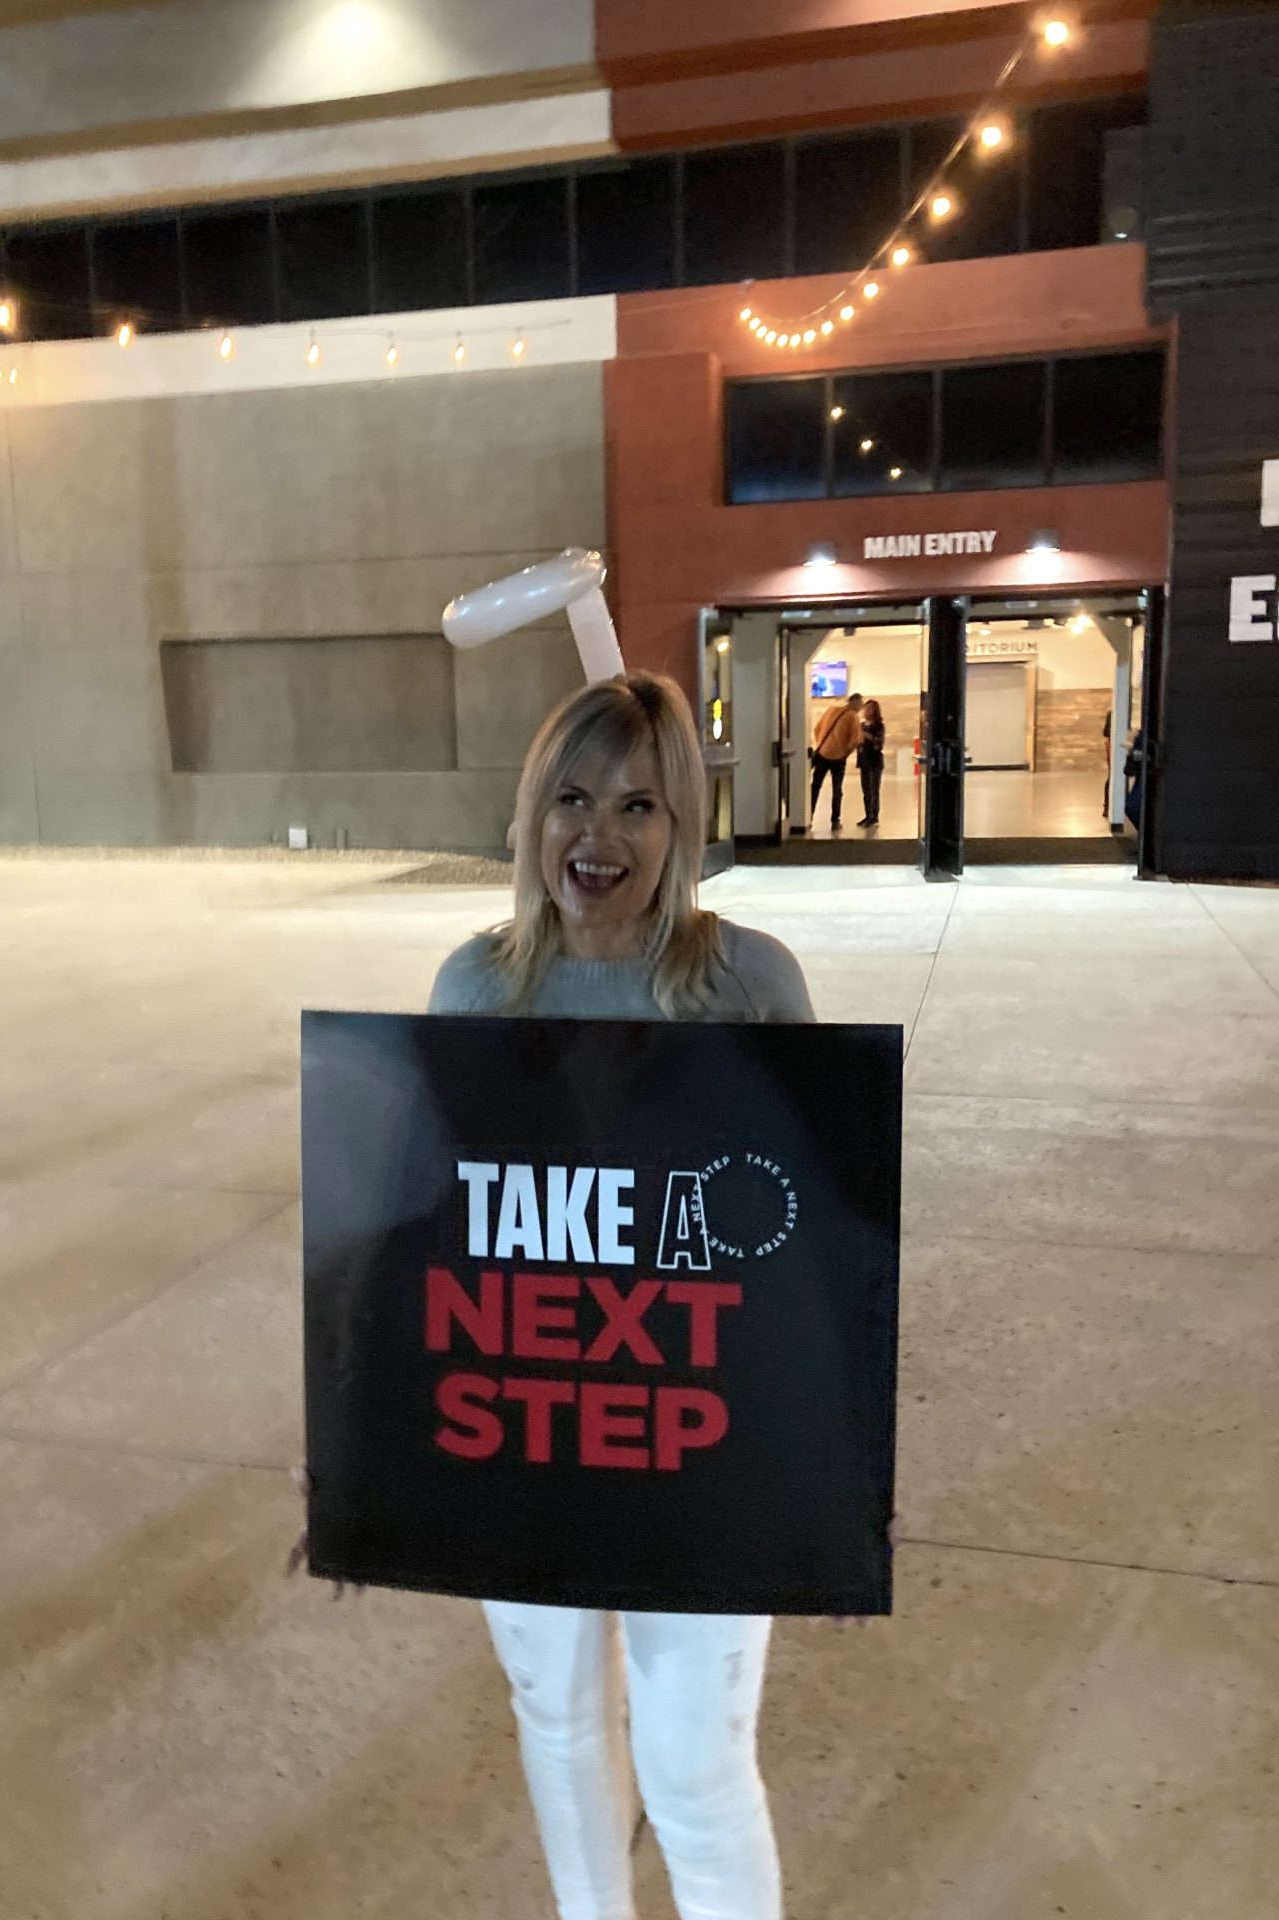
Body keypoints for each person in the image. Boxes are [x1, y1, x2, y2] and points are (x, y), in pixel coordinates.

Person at [428, 671, 814, 1920]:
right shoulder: (474, 990)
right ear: (532, 813)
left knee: (695, 1769)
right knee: (558, 1722)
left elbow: (819, 1233)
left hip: (703, 1436)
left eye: (639, 805)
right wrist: (369, 1423)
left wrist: (837, 1445)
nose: (599, 837)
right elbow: (434, 1239)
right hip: (527, 1420)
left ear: (681, 826)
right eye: (574, 799)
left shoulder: (749, 984)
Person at [810, 691, 863, 831]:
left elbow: (817, 729)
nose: (861, 707)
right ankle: (835, 820)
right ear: (855, 702)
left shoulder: (831, 710)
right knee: (837, 789)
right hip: (838, 758)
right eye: (861, 703)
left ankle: (808, 815)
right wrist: (844, 754)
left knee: (815, 786)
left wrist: (823, 746)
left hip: (822, 754)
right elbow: (855, 741)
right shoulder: (853, 717)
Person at [857, 698, 886, 829]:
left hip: (874, 761)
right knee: (866, 790)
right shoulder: (862, 725)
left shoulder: (879, 725)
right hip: (863, 761)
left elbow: (879, 743)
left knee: (874, 790)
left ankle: (874, 816)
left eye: (869, 709)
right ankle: (867, 814)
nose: (866, 711)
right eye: (865, 709)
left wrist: (868, 737)